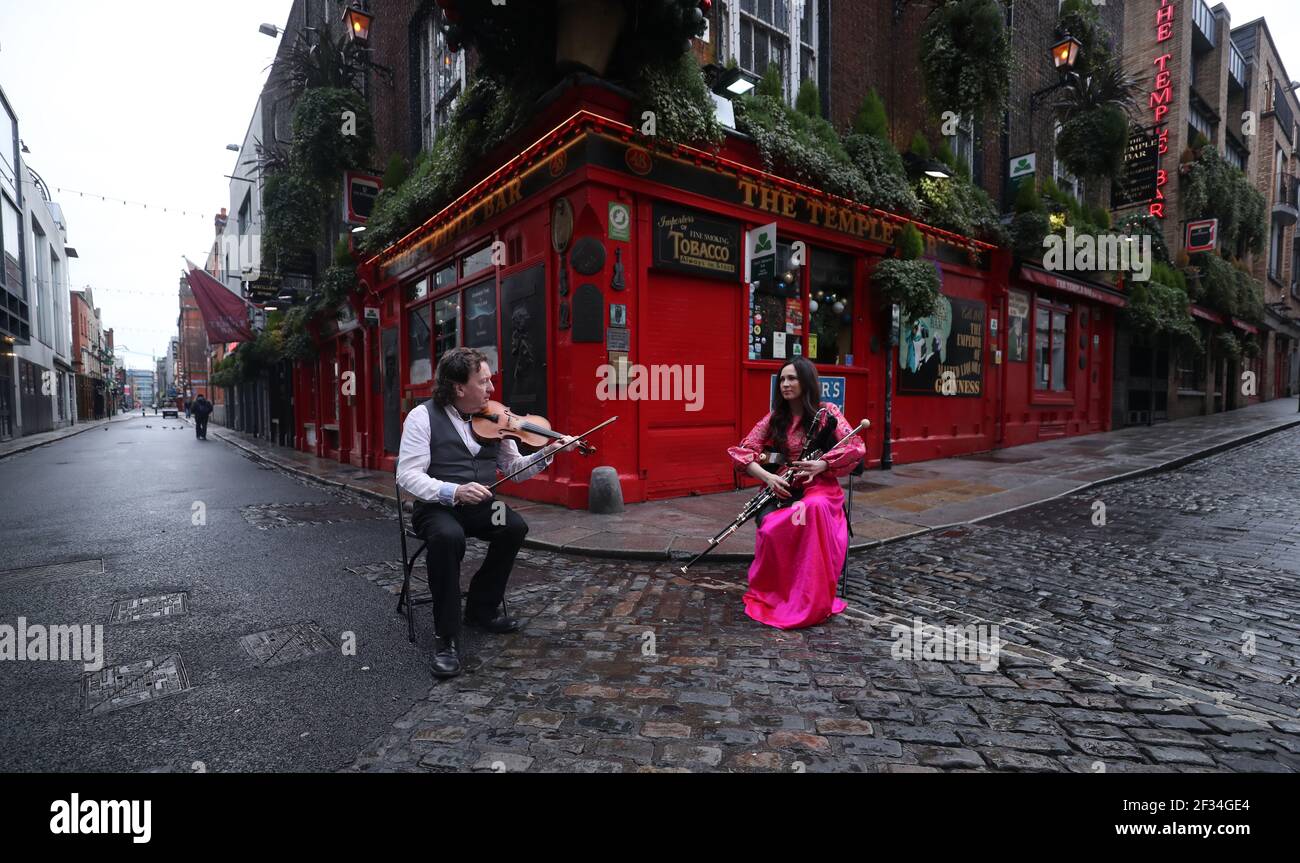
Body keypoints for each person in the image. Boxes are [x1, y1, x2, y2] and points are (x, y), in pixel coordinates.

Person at [397, 347, 574, 678]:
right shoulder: (423, 417)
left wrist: (549, 452)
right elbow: (407, 475)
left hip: (479, 507)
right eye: (484, 381)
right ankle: (446, 637)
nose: (492, 389)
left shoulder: (497, 416)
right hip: (437, 507)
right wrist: (453, 491)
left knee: (513, 526)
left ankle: (480, 608)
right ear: (459, 387)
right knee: (448, 538)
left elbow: (514, 468)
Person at [728, 357, 865, 629]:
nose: (786, 384)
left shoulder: (827, 413)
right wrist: (767, 477)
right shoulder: (775, 418)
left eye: (792, 378)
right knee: (770, 526)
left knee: (812, 510)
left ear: (807, 381)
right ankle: (778, 592)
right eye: (782, 379)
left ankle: (808, 596)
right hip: (783, 484)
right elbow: (743, 451)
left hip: (820, 487)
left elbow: (856, 447)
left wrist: (823, 463)